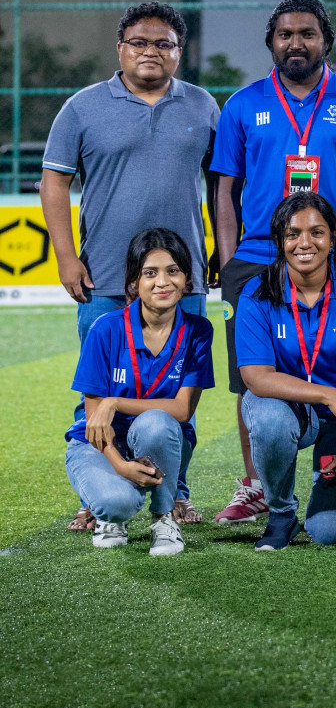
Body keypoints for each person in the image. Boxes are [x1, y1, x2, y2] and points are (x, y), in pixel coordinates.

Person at [211, 0, 336, 527]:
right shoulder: (243, 105)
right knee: (251, 380)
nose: (296, 42)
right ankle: (255, 485)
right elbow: (226, 189)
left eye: (307, 34)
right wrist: (231, 264)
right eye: (286, 34)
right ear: (271, 41)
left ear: (325, 41)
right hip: (257, 261)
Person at [42, 2, 219, 529]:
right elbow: (54, 182)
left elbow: (222, 185)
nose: (151, 52)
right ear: (120, 48)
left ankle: (177, 492)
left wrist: (221, 249)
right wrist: (67, 256)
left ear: (179, 53)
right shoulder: (82, 107)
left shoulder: (204, 106)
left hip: (180, 283)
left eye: (163, 44)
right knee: (96, 391)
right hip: (103, 280)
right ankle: (95, 488)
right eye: (140, 42)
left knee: (178, 396)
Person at [235, 192, 336, 551]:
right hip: (290, 410)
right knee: (270, 418)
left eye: (316, 232)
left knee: (328, 533)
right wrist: (328, 394)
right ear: (279, 241)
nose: (304, 243)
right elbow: (255, 378)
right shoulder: (257, 292)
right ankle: (280, 515)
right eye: (292, 234)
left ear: (333, 237)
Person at [65, 229, 216, 555]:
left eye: (173, 270)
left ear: (187, 280)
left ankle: (164, 519)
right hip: (98, 446)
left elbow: (182, 410)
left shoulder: (198, 331)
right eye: (150, 273)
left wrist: (115, 402)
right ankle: (112, 515)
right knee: (117, 504)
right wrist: (120, 466)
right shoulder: (105, 328)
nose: (163, 282)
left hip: (160, 441)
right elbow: (94, 421)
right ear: (133, 283)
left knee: (157, 423)